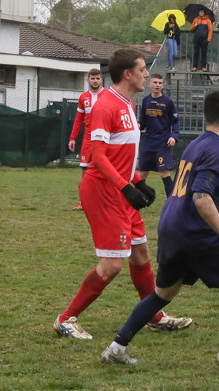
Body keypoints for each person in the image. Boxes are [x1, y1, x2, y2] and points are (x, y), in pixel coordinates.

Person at [101, 89, 219, 371]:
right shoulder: (218, 151)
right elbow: (201, 197)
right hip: (194, 232)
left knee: (162, 295)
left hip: (171, 226)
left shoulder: (196, 144)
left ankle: (116, 348)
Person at [54, 49, 193, 340]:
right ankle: (66, 319)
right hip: (103, 190)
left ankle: (153, 316)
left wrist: (136, 182)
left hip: (119, 187)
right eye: (142, 69)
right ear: (127, 74)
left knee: (141, 253)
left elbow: (121, 157)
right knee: (112, 265)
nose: (147, 75)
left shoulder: (128, 104)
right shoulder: (105, 105)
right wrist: (125, 186)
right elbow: (98, 157)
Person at [68, 69, 105, 211]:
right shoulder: (83, 97)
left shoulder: (107, 96)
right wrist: (72, 138)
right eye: (92, 78)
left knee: (104, 170)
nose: (95, 81)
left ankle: (103, 201)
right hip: (88, 140)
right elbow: (78, 120)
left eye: (97, 78)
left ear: (101, 80)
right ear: (88, 80)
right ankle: (83, 202)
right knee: (85, 171)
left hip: (104, 140)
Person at [138, 73, 180, 197]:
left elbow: (176, 122)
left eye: (160, 83)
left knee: (163, 172)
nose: (157, 85)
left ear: (163, 85)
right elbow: (143, 121)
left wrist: (174, 136)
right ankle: (137, 202)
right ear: (149, 84)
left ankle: (172, 203)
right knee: (142, 173)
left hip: (163, 143)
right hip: (148, 142)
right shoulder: (146, 100)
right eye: (155, 82)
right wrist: (137, 126)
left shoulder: (168, 102)